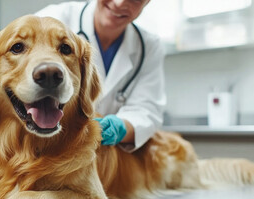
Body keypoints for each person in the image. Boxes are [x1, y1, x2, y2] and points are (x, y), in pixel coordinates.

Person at [36, 0, 166, 151]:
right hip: (47, 145)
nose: (118, 3)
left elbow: (146, 110)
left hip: (109, 154)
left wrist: (120, 127)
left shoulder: (149, 46)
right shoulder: (52, 18)